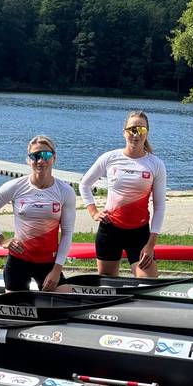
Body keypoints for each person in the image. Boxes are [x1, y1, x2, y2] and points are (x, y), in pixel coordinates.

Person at [0, 135, 77, 292]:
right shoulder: (15, 186)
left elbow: (67, 233)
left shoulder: (65, 191)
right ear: (28, 160)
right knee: (17, 311)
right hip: (18, 261)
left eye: (46, 155)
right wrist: (1, 239)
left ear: (54, 157)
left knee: (65, 299)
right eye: (35, 156)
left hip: (48, 263)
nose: (40, 161)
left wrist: (57, 269)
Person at [79, 111, 167, 278]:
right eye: (132, 129)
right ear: (124, 132)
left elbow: (160, 206)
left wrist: (151, 244)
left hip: (139, 234)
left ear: (147, 133)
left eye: (141, 130)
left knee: (148, 282)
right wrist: (93, 212)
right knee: (108, 285)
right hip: (110, 230)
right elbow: (84, 184)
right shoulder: (110, 157)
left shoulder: (156, 164)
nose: (136, 134)